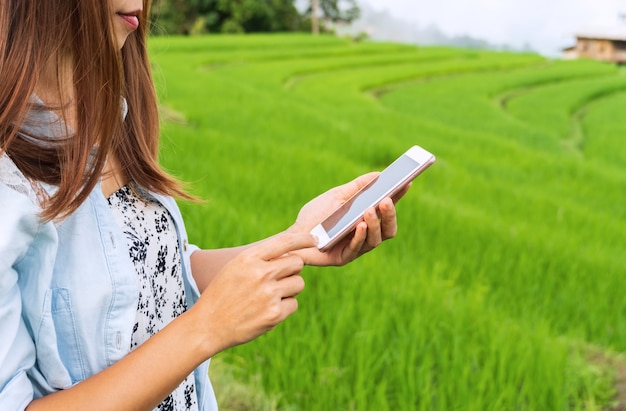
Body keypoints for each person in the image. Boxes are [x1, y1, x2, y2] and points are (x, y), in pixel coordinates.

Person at [0, 1, 407, 410]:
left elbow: (154, 275)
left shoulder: (111, 117)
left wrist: (300, 240)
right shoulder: (8, 179)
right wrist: (205, 328)